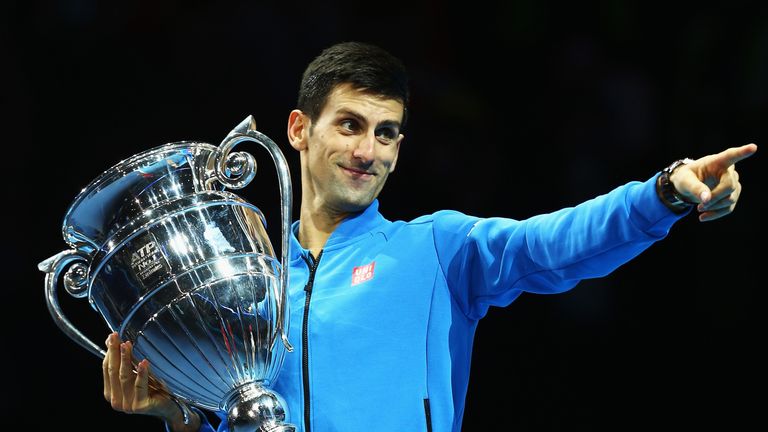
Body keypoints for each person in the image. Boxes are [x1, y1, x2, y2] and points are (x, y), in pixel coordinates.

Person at [100, 41, 757, 432]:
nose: (370, 150)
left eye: (387, 133)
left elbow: (554, 245)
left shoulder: (435, 251)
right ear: (300, 130)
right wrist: (175, 415)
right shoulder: (252, 290)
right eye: (350, 125)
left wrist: (662, 193)